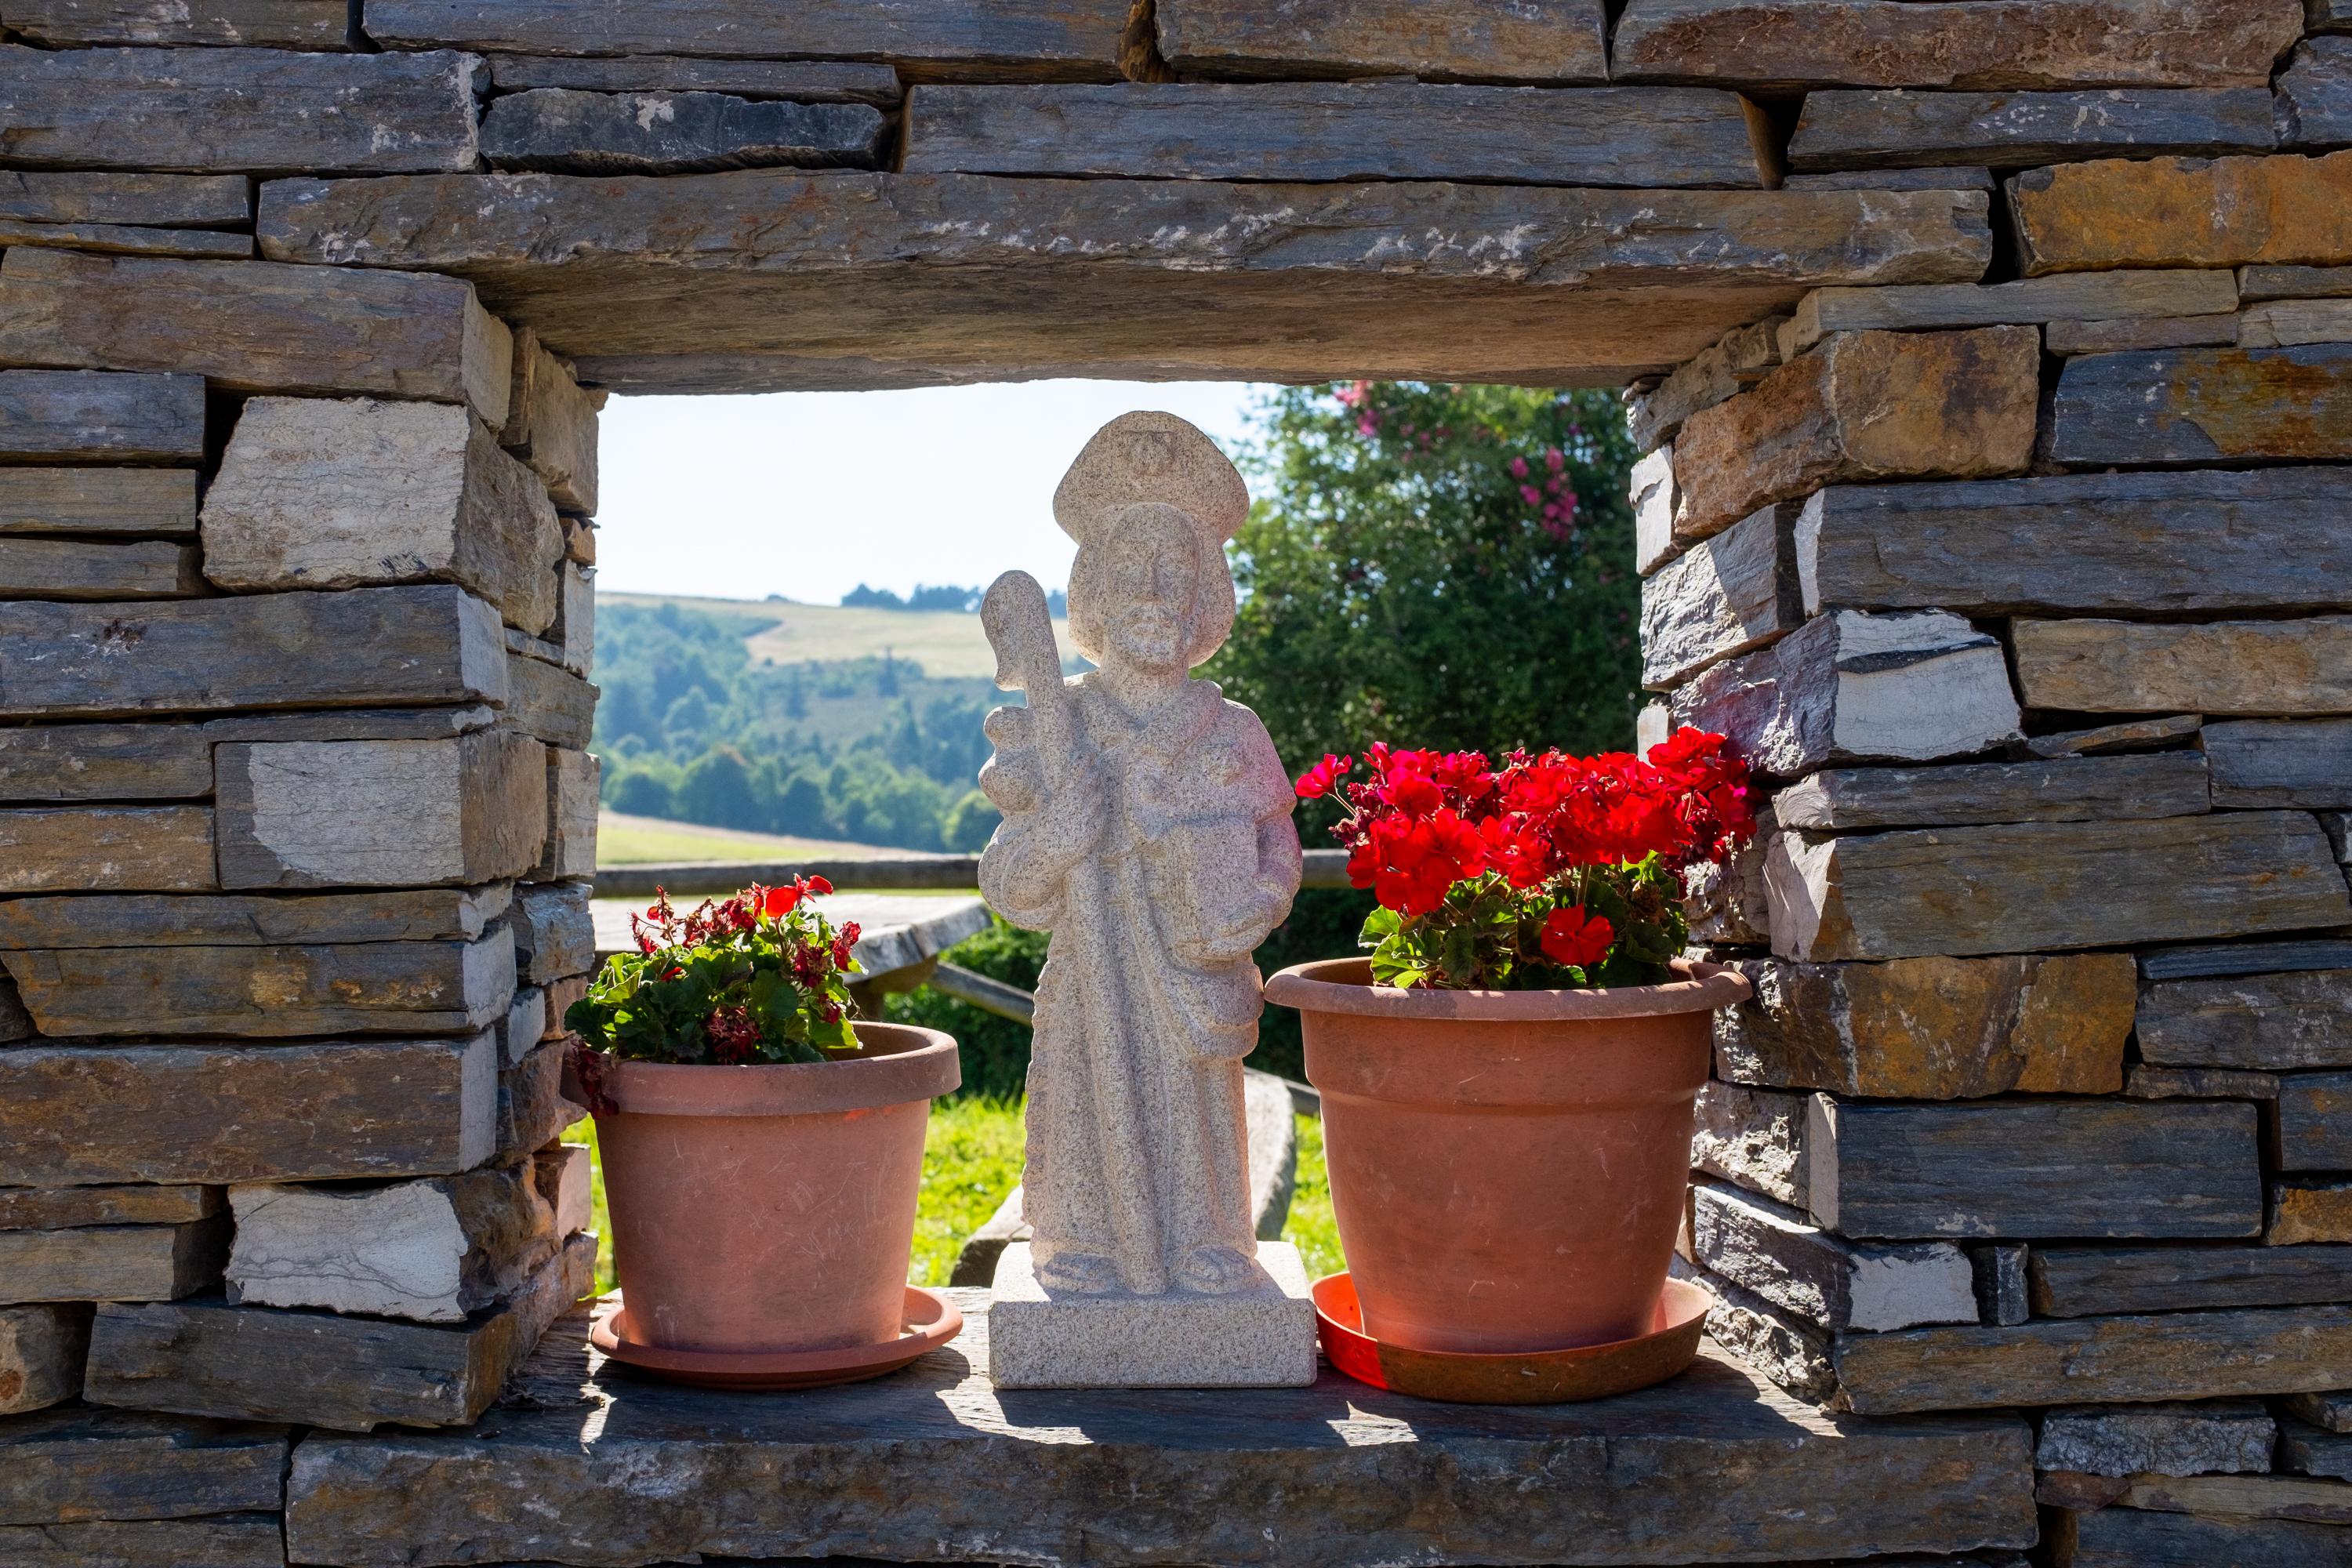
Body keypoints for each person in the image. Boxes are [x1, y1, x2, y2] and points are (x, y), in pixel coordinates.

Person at [978, 413, 1302, 1298]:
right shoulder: (1058, 722)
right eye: (1132, 566)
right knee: (1086, 1102)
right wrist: (1057, 837)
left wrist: (1264, 900)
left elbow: (1279, 837)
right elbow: (1008, 881)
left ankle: (1208, 1242)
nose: (1155, 587)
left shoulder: (1232, 731)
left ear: (1209, 593)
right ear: (1095, 589)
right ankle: (1083, 1240)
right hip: (1092, 974)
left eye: (1178, 566)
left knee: (1197, 1115)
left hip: (1198, 974)